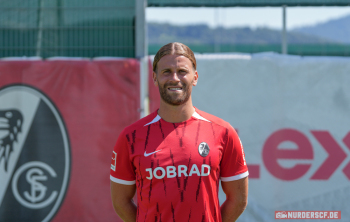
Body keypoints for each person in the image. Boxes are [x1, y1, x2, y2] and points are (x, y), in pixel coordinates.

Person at [110, 42, 249, 222]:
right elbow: (120, 202)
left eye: (182, 71)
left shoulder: (223, 132)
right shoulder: (130, 137)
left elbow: (238, 200)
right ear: (154, 77)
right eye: (166, 72)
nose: (174, 78)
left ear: (195, 77)